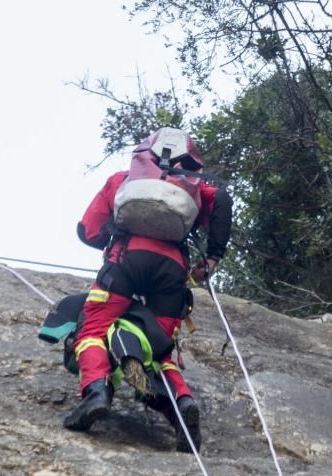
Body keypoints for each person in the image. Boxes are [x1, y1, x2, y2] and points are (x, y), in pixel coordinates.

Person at [64, 127, 232, 453]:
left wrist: (110, 238)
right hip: (172, 270)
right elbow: (222, 199)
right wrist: (212, 258)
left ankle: (96, 391)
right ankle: (180, 407)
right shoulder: (194, 188)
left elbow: (89, 230)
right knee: (158, 351)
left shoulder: (123, 181)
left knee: (93, 331)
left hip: (126, 260)